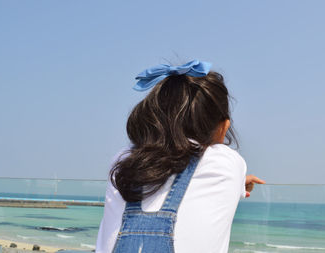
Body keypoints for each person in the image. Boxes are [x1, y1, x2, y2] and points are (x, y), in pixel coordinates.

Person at [96, 60, 265, 253]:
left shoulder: (123, 159)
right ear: (223, 127)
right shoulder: (227, 162)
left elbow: (168, 174)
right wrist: (239, 183)